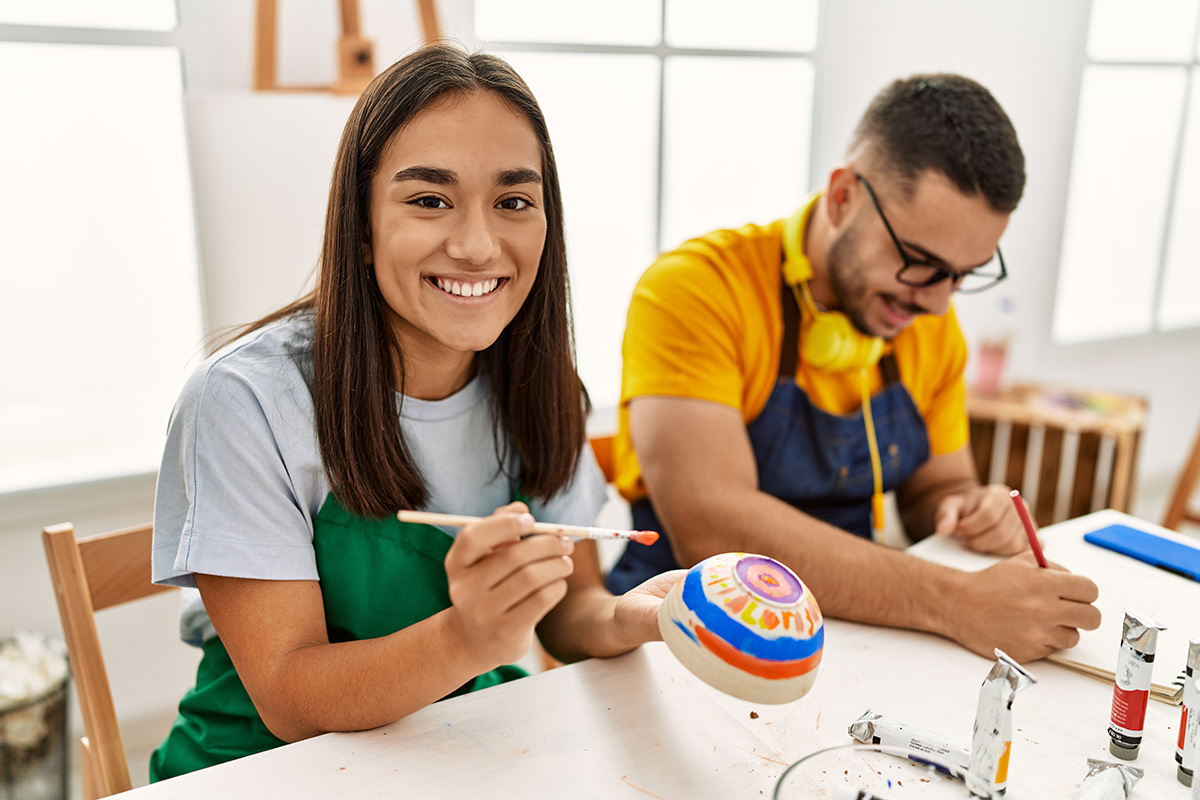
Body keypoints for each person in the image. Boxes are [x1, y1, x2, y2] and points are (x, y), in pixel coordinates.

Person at [149, 44, 677, 781]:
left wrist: (640, 617)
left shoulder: (540, 385)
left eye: (514, 201)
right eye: (429, 199)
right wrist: (468, 636)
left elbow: (569, 605)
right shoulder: (245, 400)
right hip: (264, 768)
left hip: (466, 748)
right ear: (361, 228)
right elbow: (288, 698)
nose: (476, 245)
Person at [606, 73, 1101, 664]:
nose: (939, 303)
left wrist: (971, 508)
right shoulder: (693, 291)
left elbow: (938, 486)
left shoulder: (927, 320)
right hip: (681, 637)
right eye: (919, 262)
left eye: (962, 275)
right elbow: (715, 527)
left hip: (848, 629)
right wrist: (955, 602)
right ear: (842, 198)